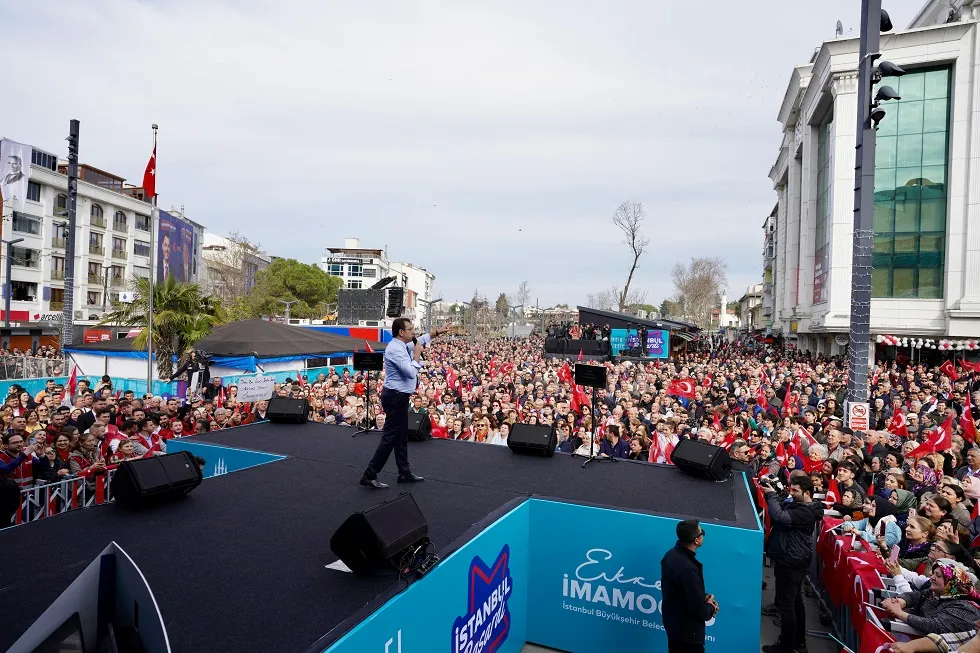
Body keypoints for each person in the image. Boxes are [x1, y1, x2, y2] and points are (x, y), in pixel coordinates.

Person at [359, 319, 449, 489]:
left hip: (398, 396)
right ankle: (369, 474)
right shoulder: (395, 349)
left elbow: (419, 341)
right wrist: (416, 356)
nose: (413, 332)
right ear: (401, 332)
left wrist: (437, 333)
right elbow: (409, 373)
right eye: (410, 329)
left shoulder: (401, 345)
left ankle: (404, 472)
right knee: (390, 437)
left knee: (400, 437)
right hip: (395, 397)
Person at [761, 475, 824, 653]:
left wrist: (771, 495)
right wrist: (776, 491)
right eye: (792, 489)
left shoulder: (805, 512)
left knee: (786, 605)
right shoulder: (802, 505)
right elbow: (784, 503)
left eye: (795, 491)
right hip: (792, 557)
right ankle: (798, 641)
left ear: (807, 493)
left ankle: (786, 646)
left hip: (791, 560)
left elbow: (779, 516)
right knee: (795, 602)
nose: (792, 493)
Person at [660, 519, 718, 653]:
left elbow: (681, 590)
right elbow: (700, 611)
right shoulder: (688, 569)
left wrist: (702, 596)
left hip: (674, 627)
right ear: (696, 540)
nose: (703, 534)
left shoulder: (670, 555)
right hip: (688, 635)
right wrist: (711, 607)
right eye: (701, 532)